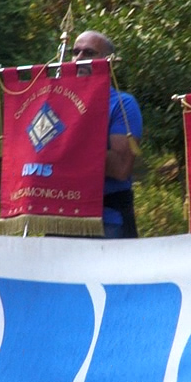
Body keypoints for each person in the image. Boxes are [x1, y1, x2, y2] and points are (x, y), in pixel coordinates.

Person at [72, 31, 143, 238]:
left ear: (108, 62)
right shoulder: (58, 104)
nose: (79, 58)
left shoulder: (123, 104)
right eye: (75, 52)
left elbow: (121, 168)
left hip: (108, 221)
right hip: (62, 216)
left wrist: (69, 143)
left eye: (88, 53)